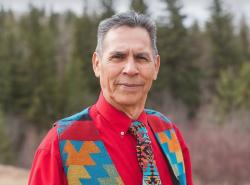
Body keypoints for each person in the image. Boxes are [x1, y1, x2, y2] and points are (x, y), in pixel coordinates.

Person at [28, 11, 193, 185]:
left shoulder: (168, 134)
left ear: (156, 66)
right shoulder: (62, 144)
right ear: (97, 64)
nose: (130, 69)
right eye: (118, 57)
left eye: (141, 58)